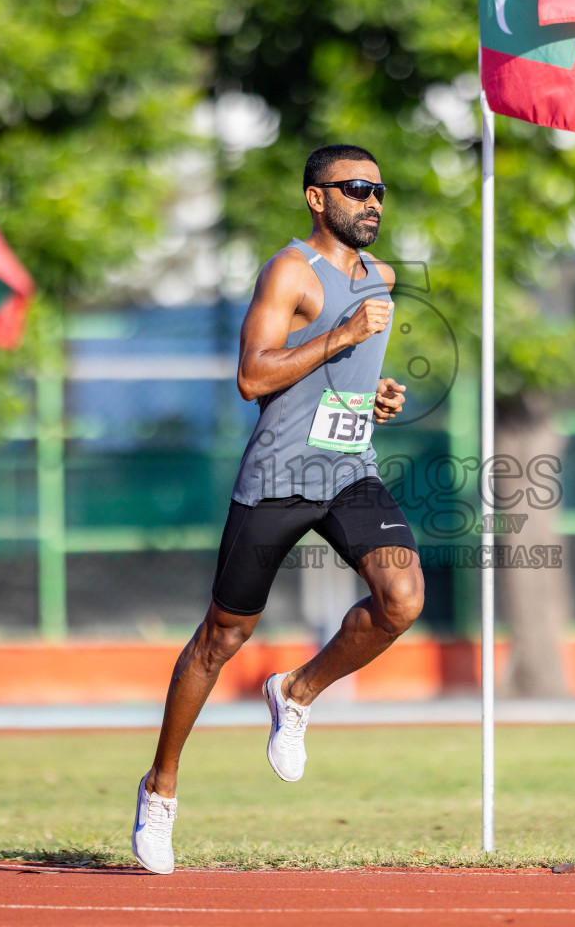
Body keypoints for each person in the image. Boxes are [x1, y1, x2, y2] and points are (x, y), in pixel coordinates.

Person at [131, 144, 424, 875]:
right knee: (222, 637)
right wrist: (341, 336)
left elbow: (342, 381)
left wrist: (376, 397)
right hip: (279, 477)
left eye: (379, 190)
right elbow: (252, 377)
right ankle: (160, 789)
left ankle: (296, 693)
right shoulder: (290, 272)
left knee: (402, 598)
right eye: (355, 189)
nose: (372, 202)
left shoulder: (382, 278)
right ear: (316, 198)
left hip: (349, 470)